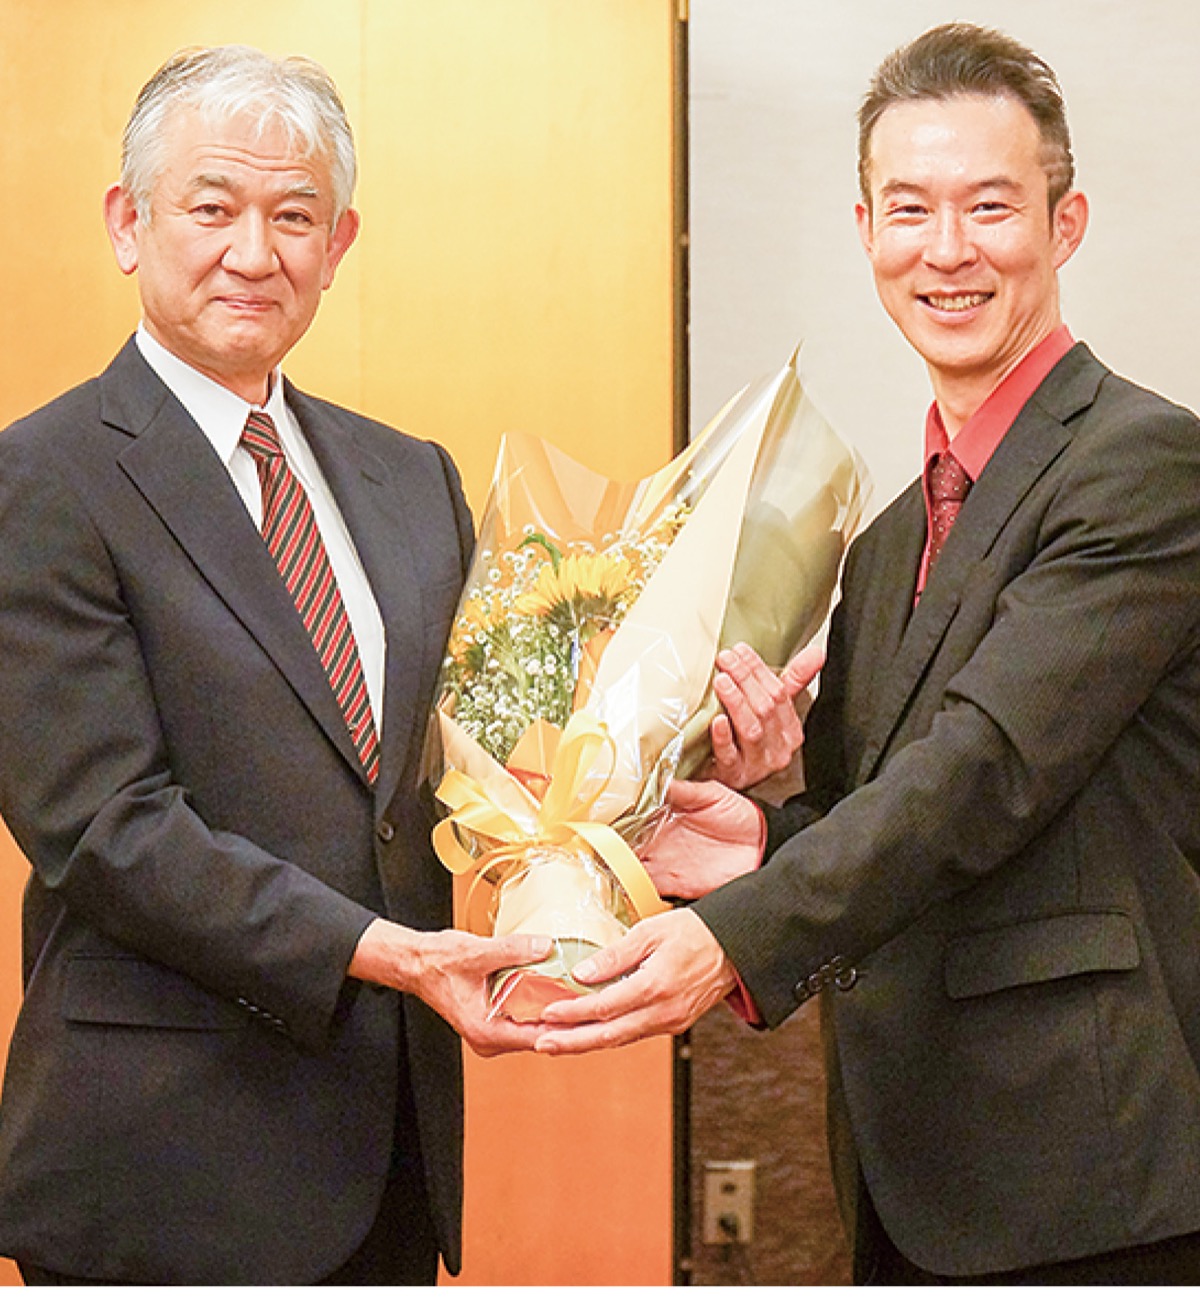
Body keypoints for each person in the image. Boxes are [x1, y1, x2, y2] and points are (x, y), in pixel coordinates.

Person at [0, 44, 804, 1286]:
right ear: (128, 222)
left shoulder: (409, 479)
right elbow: (105, 826)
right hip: (158, 1166)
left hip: (388, 1152)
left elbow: (493, 761)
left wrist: (650, 808)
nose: (254, 251)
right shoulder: (44, 479)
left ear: (341, 242)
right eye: (212, 208)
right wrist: (387, 951)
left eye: (294, 216)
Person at [537, 22, 1200, 1285]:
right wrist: (765, 821)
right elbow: (883, 822)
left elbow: (984, 773)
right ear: (864, 233)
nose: (946, 251)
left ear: (1066, 225)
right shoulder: (888, 531)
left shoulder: (1144, 466)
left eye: (991, 206)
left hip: (1093, 1177)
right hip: (907, 1167)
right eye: (910, 210)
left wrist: (735, 931)